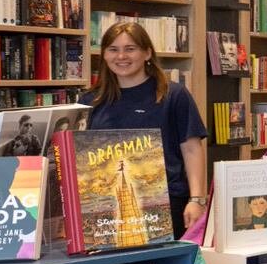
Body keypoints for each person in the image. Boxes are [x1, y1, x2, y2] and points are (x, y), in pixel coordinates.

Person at [80, 21, 209, 232]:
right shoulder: (90, 101)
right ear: (103, 55)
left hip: (167, 203)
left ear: (147, 53)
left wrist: (197, 199)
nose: (121, 57)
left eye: (130, 49)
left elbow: (192, 148)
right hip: (104, 207)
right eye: (113, 49)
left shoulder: (173, 95)